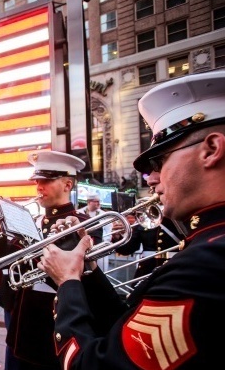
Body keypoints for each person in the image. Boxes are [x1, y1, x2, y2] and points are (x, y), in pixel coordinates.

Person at [37, 71, 225, 368]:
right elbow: (123, 330)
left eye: (160, 161)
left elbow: (94, 365)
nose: (151, 178)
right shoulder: (207, 245)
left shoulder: (208, 262)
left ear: (211, 149)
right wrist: (87, 270)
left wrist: (68, 283)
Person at [5, 150, 102, 370]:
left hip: (54, 328)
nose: (39, 186)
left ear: (67, 185)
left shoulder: (85, 223)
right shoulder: (34, 221)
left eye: (46, 180)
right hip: (22, 327)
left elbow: (81, 275)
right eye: (37, 181)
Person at [115, 214, 182, 280]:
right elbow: (128, 249)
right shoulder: (143, 221)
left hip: (173, 268)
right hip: (146, 270)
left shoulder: (178, 219)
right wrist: (118, 238)